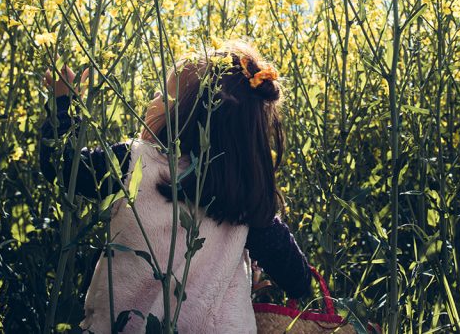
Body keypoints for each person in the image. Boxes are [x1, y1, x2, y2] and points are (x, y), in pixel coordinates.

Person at [40, 40, 312, 333]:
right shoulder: (246, 198)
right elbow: (297, 279)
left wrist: (63, 102)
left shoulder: (133, 163)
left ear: (185, 116)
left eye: (162, 93)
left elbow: (61, 164)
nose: (153, 98)